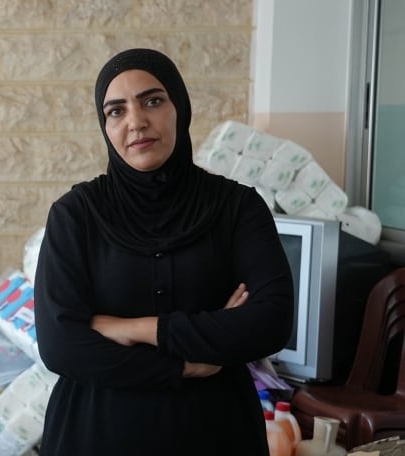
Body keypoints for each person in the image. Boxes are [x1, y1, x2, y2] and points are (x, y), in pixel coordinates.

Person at [33, 48, 294, 454]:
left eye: (152, 101)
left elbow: (271, 322)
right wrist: (185, 364)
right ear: (105, 126)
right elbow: (60, 345)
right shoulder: (76, 214)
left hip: (215, 435)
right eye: (116, 111)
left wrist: (134, 328)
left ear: (180, 108)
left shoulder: (236, 207)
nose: (136, 122)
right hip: (96, 436)